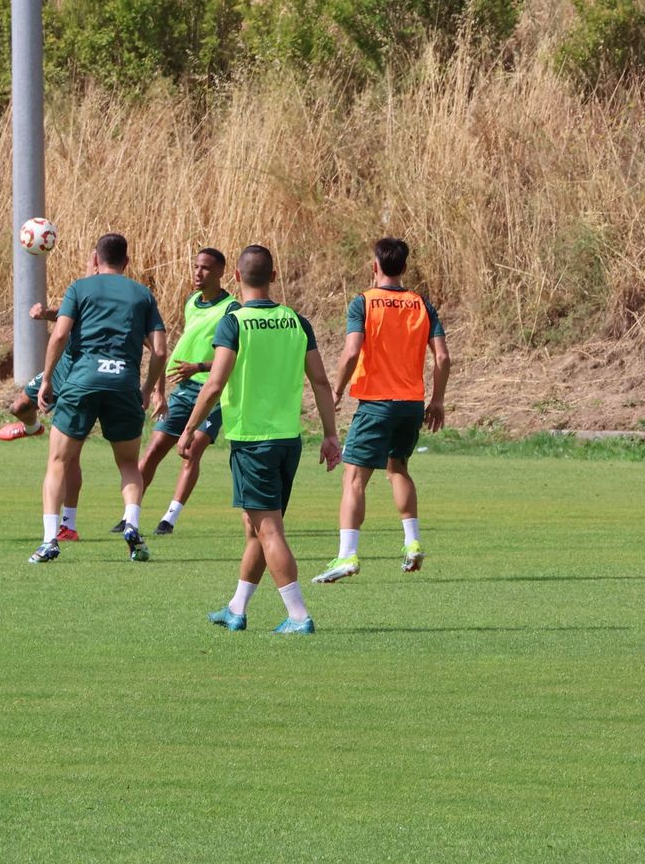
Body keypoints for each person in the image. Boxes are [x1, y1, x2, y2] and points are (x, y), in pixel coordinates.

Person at [180, 244, 341, 634]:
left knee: (268, 528)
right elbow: (320, 381)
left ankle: (299, 615)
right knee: (255, 525)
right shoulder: (297, 321)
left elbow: (215, 382)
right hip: (288, 441)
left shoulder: (234, 321)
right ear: (273, 276)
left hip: (252, 440)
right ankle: (237, 608)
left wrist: (188, 428)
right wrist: (331, 434)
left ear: (236, 277)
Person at [314, 237, 450, 584]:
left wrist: (338, 389)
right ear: (404, 268)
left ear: (375, 266)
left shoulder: (364, 302)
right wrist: (437, 400)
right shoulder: (422, 304)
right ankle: (412, 542)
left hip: (376, 403)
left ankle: (346, 555)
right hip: (410, 404)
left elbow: (350, 352)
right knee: (398, 469)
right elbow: (443, 358)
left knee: (354, 478)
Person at [28, 233, 167, 564]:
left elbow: (60, 333)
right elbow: (160, 350)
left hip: (82, 381)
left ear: (94, 259)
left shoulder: (80, 287)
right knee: (128, 465)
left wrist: (47, 379)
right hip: (124, 383)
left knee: (58, 462)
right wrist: (148, 389)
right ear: (127, 262)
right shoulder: (143, 294)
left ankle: (50, 540)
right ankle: (131, 525)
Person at [134, 247, 236, 536]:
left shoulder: (232, 309)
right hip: (185, 389)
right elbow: (178, 348)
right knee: (153, 450)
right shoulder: (191, 301)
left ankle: (169, 518)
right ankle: (131, 514)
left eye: (204, 268)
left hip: (215, 393)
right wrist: (160, 390)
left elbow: (235, 356)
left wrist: (200, 366)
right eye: (195, 267)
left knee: (192, 451)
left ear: (220, 272)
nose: (197, 273)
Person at [1, 265, 89, 541]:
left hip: (82, 374)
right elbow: (67, 316)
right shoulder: (82, 288)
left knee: (69, 456)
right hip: (62, 367)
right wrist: (45, 314)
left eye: (94, 261)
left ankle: (69, 525)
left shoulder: (117, 295)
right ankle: (31, 427)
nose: (90, 265)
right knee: (19, 408)